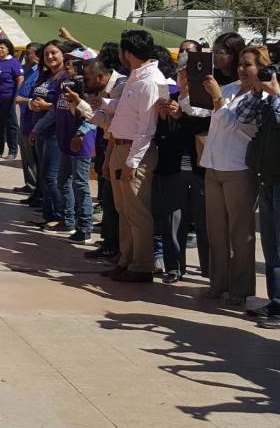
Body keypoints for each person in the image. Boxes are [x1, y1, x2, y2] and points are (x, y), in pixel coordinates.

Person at [195, 46, 270, 306]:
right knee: (215, 229)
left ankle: (241, 287)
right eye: (240, 64)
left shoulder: (262, 97)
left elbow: (234, 125)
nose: (242, 69)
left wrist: (217, 98)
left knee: (240, 231)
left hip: (238, 169)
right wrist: (186, 89)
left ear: (261, 68)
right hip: (213, 165)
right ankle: (218, 283)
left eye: (248, 65)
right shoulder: (229, 89)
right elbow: (200, 110)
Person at [101, 30, 167, 283]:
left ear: (127, 53)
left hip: (135, 151)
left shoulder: (150, 80)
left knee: (138, 212)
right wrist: (103, 104)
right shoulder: (135, 76)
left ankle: (142, 266)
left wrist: (133, 162)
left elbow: (146, 127)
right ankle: (126, 260)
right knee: (124, 210)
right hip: (121, 146)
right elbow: (127, 110)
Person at [154, 69, 209, 283]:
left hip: (200, 169)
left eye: (189, 74)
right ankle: (174, 267)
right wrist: (162, 117)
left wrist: (180, 116)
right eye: (182, 75)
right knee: (173, 220)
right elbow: (162, 136)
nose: (185, 79)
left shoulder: (207, 101)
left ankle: (210, 270)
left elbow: (203, 128)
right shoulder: (171, 99)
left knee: (205, 222)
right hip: (173, 168)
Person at [74, 56, 126, 262]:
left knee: (116, 202)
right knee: (108, 198)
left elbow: (110, 124)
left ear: (100, 76)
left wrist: (82, 105)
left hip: (121, 147)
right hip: (110, 145)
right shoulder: (104, 90)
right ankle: (109, 242)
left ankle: (117, 247)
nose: (86, 83)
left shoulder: (120, 88)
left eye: (88, 79)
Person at [246, 67, 280, 328]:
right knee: (270, 246)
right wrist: (259, 92)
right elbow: (244, 117)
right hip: (268, 176)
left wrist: (277, 96)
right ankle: (275, 301)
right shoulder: (270, 100)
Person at [28, 40, 72, 232]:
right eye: (46, 54)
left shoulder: (66, 78)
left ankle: (62, 217)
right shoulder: (45, 76)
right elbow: (33, 95)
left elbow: (65, 104)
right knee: (44, 176)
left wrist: (47, 106)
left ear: (63, 54)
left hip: (56, 133)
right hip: (40, 131)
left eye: (54, 53)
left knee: (52, 177)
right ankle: (48, 216)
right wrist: (33, 104)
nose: (50, 57)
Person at [57, 56, 99, 244]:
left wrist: (80, 133)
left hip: (82, 142)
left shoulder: (87, 91)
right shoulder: (67, 87)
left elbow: (92, 117)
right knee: (64, 181)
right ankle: (69, 221)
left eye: (71, 66)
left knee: (80, 185)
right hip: (67, 141)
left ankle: (85, 227)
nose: (67, 68)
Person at [14, 43, 42, 196]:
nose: (25, 56)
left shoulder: (39, 73)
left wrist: (24, 100)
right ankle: (30, 184)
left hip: (33, 119)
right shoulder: (25, 70)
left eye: (29, 53)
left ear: (37, 56)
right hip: (23, 116)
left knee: (33, 155)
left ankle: (36, 188)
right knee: (26, 154)